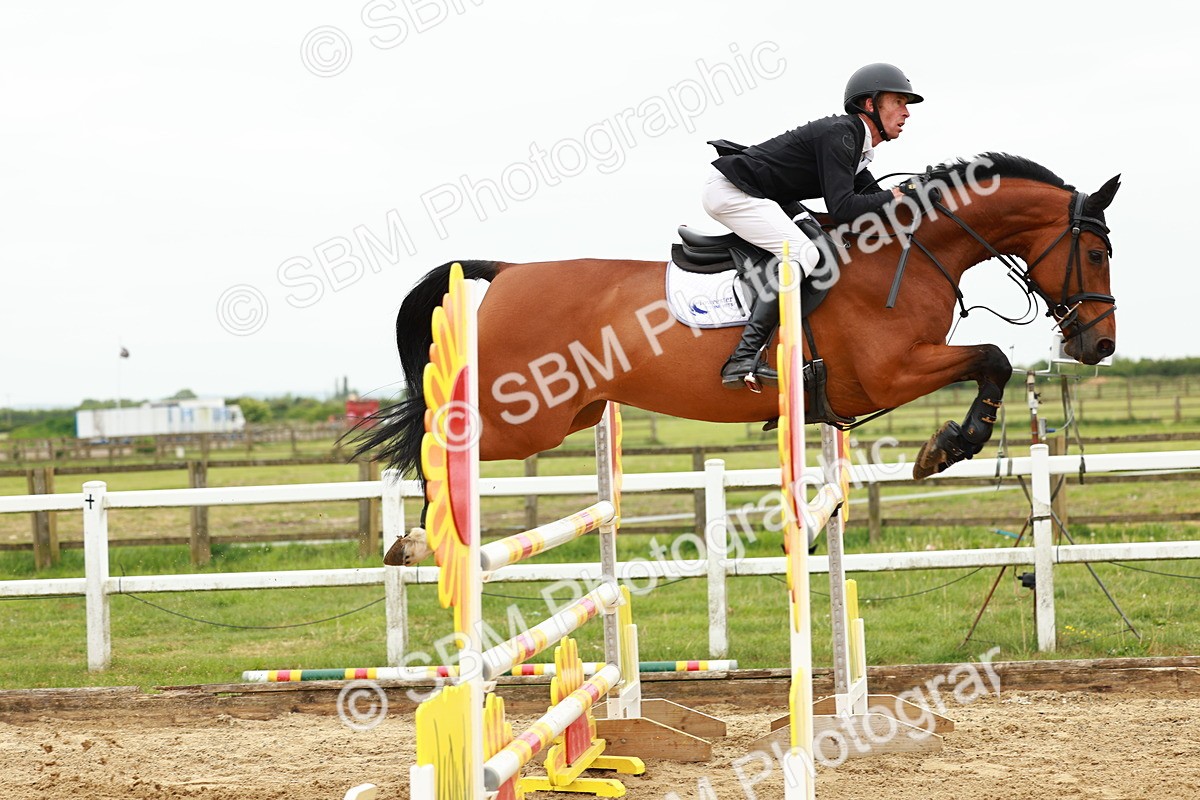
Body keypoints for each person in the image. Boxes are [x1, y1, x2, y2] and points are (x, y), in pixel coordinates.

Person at [701, 62, 924, 389]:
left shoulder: (857, 147)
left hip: (767, 196)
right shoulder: (842, 136)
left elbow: (876, 202)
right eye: (898, 102)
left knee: (821, 245)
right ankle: (742, 358)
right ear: (870, 104)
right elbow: (844, 207)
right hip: (732, 192)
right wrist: (899, 193)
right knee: (804, 254)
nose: (906, 113)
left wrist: (922, 194)